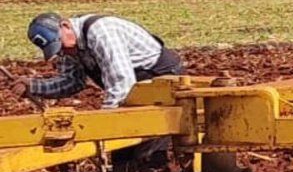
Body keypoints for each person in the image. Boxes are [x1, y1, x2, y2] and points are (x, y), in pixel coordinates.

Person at [11, 12, 184, 109]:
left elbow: (122, 82)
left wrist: (103, 122)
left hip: (160, 79)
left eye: (61, 44)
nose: (64, 52)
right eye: (58, 50)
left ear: (65, 26)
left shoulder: (101, 32)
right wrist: (34, 86)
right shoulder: (69, 47)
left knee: (146, 144)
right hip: (134, 88)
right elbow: (73, 82)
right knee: (123, 155)